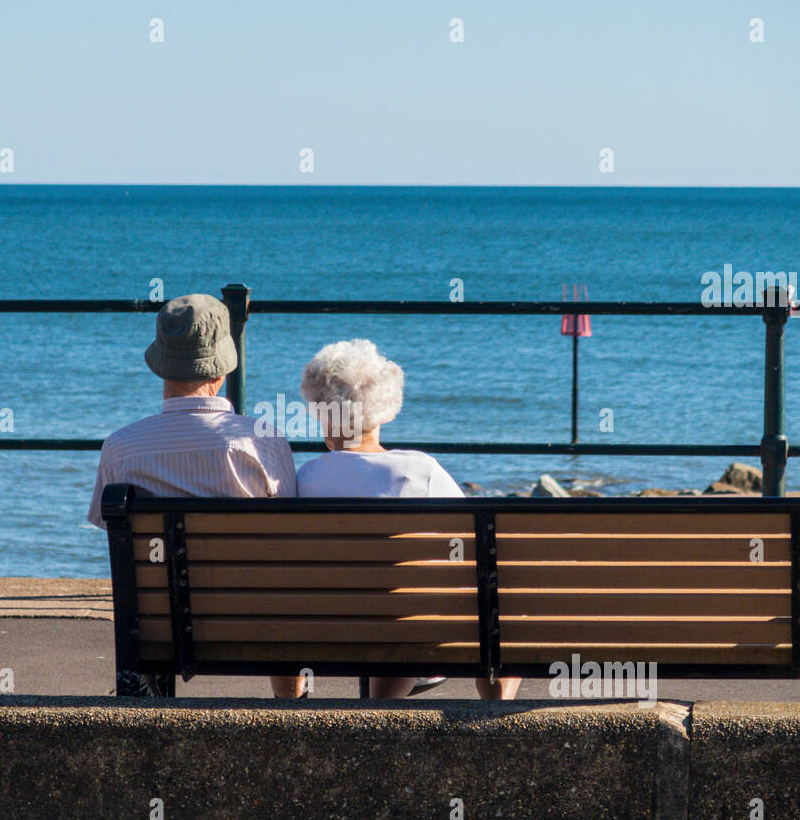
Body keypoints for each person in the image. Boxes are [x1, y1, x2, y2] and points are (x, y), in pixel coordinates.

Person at [88, 294, 302, 697]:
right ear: (221, 368)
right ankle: (290, 706)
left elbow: (114, 537)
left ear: (160, 367)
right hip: (259, 621)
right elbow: (288, 537)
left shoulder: (120, 446)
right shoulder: (266, 440)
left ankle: (150, 699)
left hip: (160, 626)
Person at [296, 338, 521, 701]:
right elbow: (478, 545)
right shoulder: (419, 471)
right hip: (409, 634)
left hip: (329, 633)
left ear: (323, 414)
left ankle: (382, 706)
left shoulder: (306, 476)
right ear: (385, 409)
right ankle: (495, 710)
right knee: (494, 589)